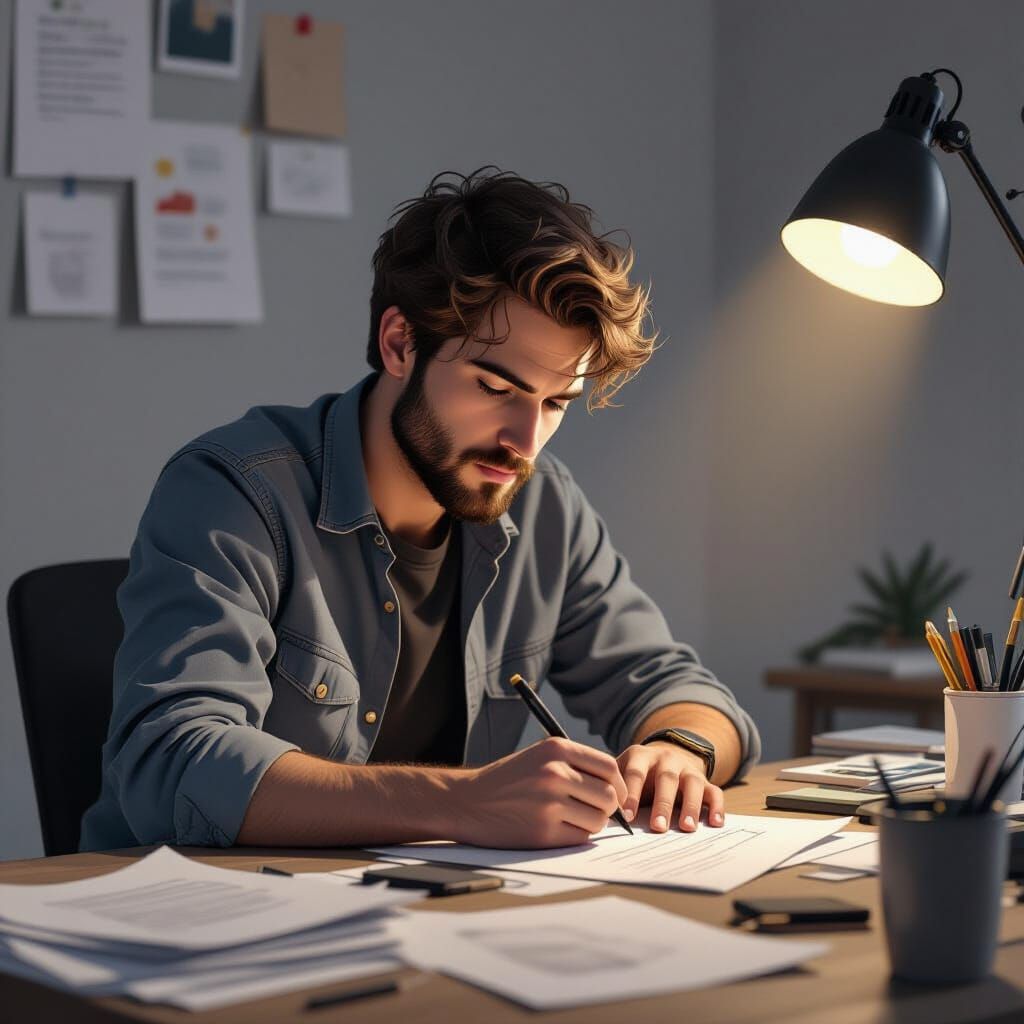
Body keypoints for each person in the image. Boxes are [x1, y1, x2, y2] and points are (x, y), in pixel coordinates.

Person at [80, 168, 761, 852]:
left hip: (420, 912)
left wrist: (678, 748)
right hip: (202, 922)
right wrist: (463, 802)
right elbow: (172, 763)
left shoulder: (545, 505)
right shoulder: (234, 491)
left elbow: (679, 688)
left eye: (556, 404)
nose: (525, 442)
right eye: (496, 386)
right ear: (400, 343)